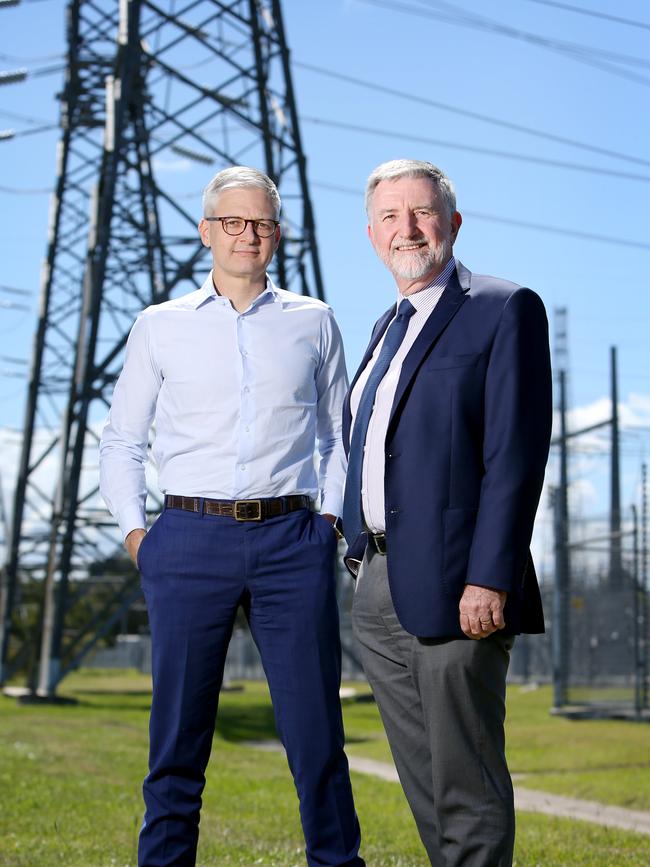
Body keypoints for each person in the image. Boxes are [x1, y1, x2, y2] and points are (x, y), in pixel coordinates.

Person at [99, 166, 364, 867]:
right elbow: (122, 439)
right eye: (235, 222)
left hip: (292, 541)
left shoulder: (314, 320)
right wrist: (139, 538)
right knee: (178, 741)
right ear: (207, 231)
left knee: (316, 739)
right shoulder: (160, 327)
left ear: (278, 232)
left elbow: (342, 434)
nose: (249, 235)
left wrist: (330, 523)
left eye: (264, 223)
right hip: (187, 540)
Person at [342, 159, 552, 866]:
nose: (408, 228)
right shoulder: (383, 329)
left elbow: (514, 457)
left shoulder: (502, 307)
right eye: (392, 216)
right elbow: (372, 448)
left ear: (453, 223)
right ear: (371, 233)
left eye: (423, 212)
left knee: (467, 782)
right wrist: (353, 550)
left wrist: (489, 578)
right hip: (378, 585)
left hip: (462, 585)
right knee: (427, 786)